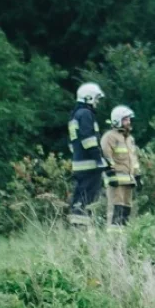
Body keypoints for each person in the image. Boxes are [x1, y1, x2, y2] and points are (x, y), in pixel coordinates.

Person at [68, 83, 107, 226]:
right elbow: (89, 140)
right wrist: (99, 160)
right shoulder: (85, 114)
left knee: (79, 198)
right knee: (88, 200)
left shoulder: (75, 115)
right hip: (89, 166)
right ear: (88, 98)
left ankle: (76, 226)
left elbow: (72, 144)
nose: (97, 102)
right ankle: (82, 229)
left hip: (79, 165)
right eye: (96, 99)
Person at [101, 105, 141, 231]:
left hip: (129, 181)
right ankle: (112, 239)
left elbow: (133, 159)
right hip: (116, 181)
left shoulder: (130, 139)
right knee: (115, 210)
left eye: (129, 119)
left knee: (126, 210)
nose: (128, 122)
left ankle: (122, 238)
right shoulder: (110, 137)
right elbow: (105, 156)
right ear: (117, 120)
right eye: (125, 119)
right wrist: (110, 174)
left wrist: (137, 176)